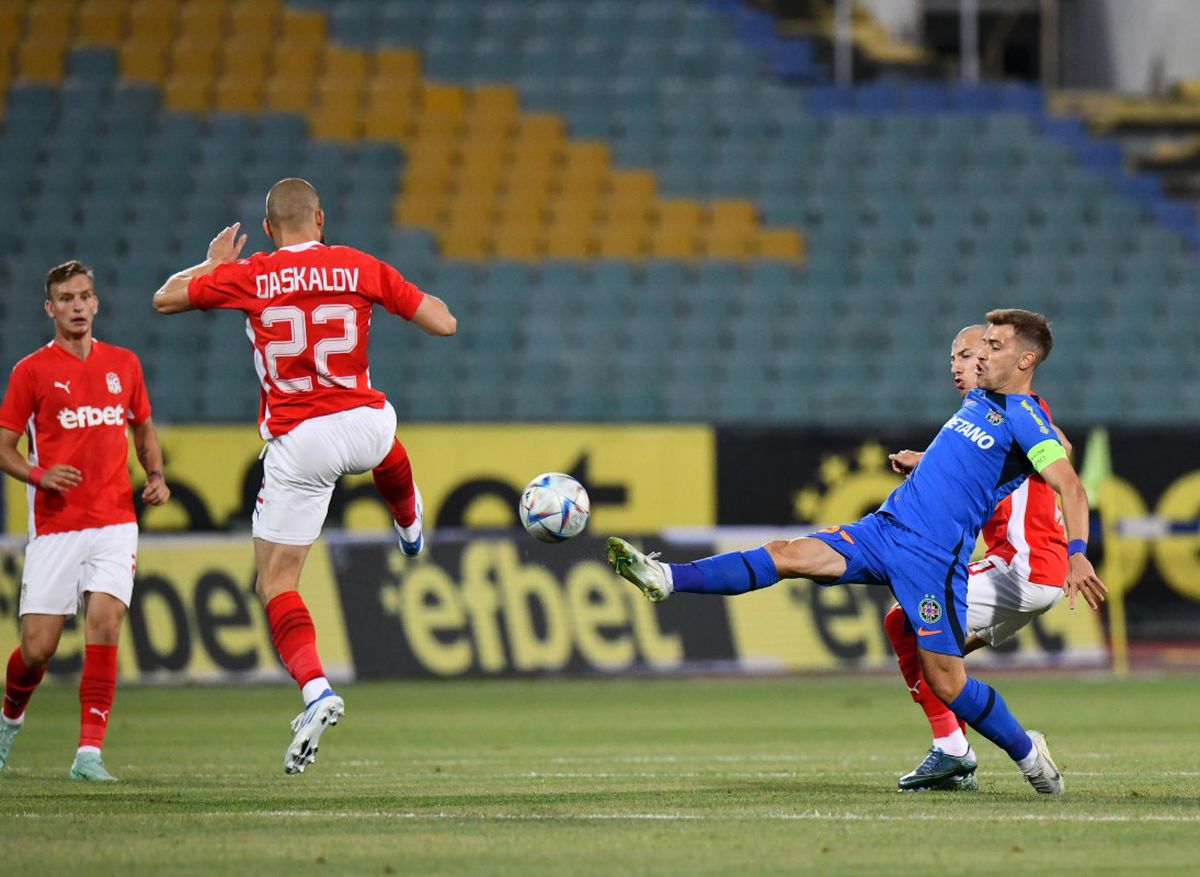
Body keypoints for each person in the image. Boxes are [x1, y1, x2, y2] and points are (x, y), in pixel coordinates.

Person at [607, 309, 1107, 795]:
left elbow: (1070, 484)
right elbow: (970, 452)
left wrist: (1078, 553)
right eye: (977, 350)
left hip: (933, 562)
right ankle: (666, 578)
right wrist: (926, 460)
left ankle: (1026, 754)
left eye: (991, 349)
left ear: (1024, 361)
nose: (975, 359)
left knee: (947, 682)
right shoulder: (978, 400)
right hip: (883, 530)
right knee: (789, 553)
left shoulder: (1025, 416)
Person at [152, 178, 456, 774]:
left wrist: (212, 264)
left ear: (268, 229)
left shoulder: (252, 274)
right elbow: (442, 324)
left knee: (276, 582)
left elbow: (164, 299)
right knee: (385, 440)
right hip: (367, 419)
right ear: (321, 218)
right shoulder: (356, 264)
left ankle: (317, 691)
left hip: (302, 439)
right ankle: (409, 520)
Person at [882, 324, 1077, 792]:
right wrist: (925, 458)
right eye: (955, 357)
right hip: (1029, 572)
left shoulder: (1017, 407)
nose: (960, 365)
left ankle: (955, 749)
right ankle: (954, 753)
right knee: (937, 660)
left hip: (1020, 563)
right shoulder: (982, 417)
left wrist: (1075, 547)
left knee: (903, 624)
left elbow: (1061, 449)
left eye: (971, 354)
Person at [0, 260, 170, 781]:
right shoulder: (31, 371)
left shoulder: (124, 364)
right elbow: (4, 447)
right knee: (38, 649)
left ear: (96, 303)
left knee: (105, 623)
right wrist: (38, 475)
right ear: (50, 309)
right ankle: (9, 720)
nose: (77, 306)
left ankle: (88, 754)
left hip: (115, 520)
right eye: (66, 299)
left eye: (84, 296)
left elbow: (143, 429)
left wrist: (156, 474)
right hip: (55, 526)